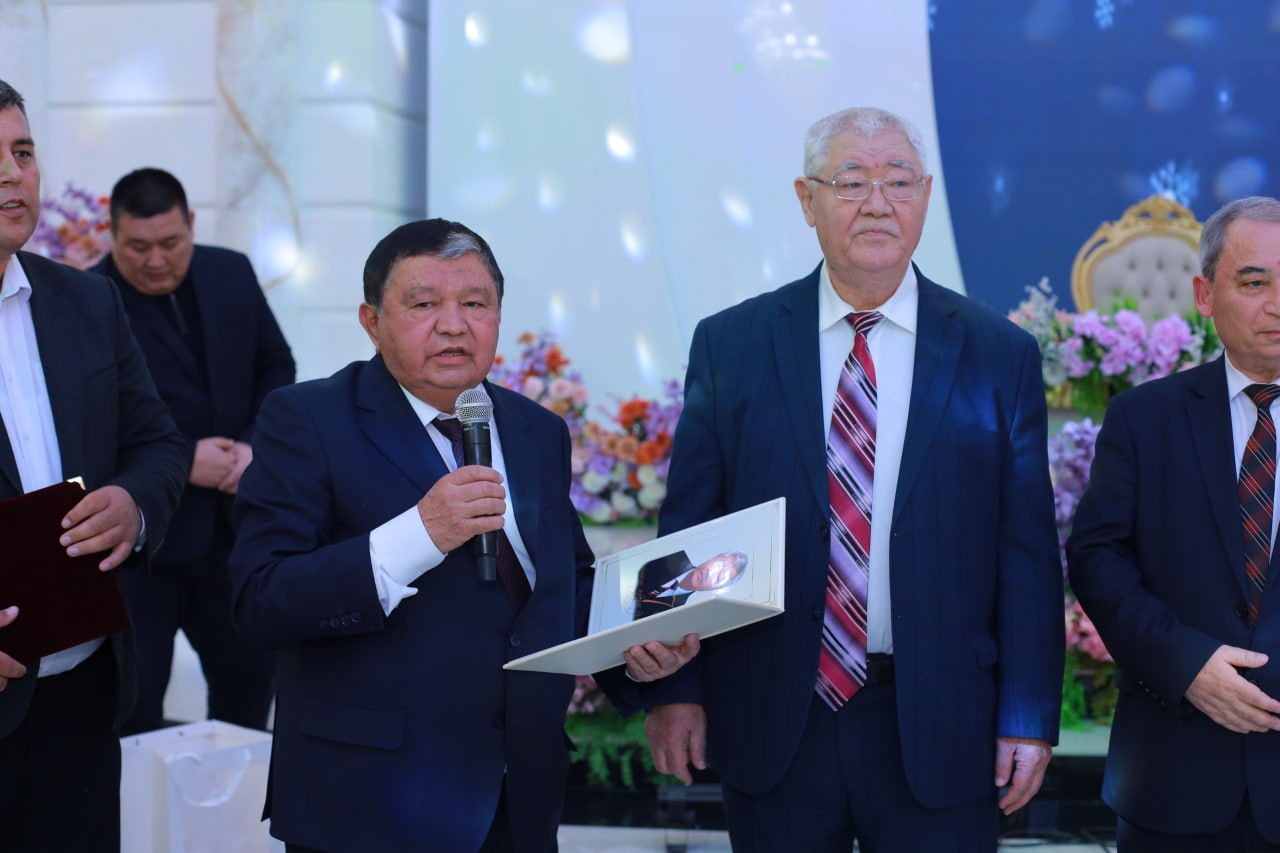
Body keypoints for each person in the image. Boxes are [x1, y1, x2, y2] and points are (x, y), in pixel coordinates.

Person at [639, 107, 1064, 851]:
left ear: (924, 196)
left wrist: (1028, 717)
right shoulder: (732, 344)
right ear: (807, 200)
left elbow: (1026, 553)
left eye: (898, 181)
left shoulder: (1000, 355)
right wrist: (675, 690)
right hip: (776, 715)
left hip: (941, 722)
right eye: (851, 181)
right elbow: (689, 531)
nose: (877, 202)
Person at [228, 218, 697, 852]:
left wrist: (641, 650)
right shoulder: (308, 418)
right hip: (370, 799)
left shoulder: (535, 429)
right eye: (424, 304)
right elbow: (260, 600)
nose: (454, 325)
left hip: (516, 793)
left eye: (475, 304)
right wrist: (419, 534)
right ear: (372, 322)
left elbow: (565, 582)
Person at [0, 79, 188, 851]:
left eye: (23, 151)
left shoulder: (86, 301)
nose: (13, 174)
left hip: (82, 694)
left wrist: (134, 503)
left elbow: (159, 443)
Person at [1068, 196, 1280, 850]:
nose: (1278, 304)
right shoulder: (1143, 418)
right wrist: (1186, 665)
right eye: (1255, 282)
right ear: (1205, 295)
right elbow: (1098, 559)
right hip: (1173, 774)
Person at [90, 167, 295, 734]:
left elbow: (276, 365)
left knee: (250, 691)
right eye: (138, 247)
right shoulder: (88, 300)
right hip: (143, 550)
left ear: (192, 225)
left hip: (236, 533)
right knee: (133, 708)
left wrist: (254, 445)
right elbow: (88, 421)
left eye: (171, 243)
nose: (156, 261)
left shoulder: (232, 271)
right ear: (111, 234)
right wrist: (183, 461)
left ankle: (236, 799)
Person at [634, 550, 748, 618]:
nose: (710, 574)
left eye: (719, 578)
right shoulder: (672, 553)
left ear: (715, 588)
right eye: (718, 566)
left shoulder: (680, 614)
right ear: (714, 557)